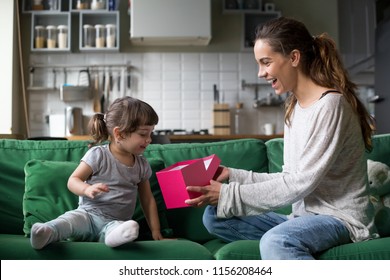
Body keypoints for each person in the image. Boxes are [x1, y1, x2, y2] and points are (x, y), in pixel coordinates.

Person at [185, 17, 379, 259]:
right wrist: (234, 176)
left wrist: (228, 194)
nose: (261, 73)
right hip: (303, 218)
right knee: (215, 216)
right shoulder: (294, 106)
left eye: (266, 62)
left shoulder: (331, 105)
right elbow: (290, 176)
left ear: (294, 58)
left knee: (276, 241)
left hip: (341, 218)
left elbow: (301, 183)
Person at [30, 96, 164, 249]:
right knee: (70, 220)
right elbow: (73, 180)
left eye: (150, 133)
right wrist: (86, 189)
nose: (149, 139)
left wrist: (156, 231)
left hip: (115, 223)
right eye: (143, 134)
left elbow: (147, 199)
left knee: (127, 228)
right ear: (119, 134)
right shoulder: (98, 155)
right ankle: (47, 232)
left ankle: (110, 237)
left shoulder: (141, 165)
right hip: (87, 216)